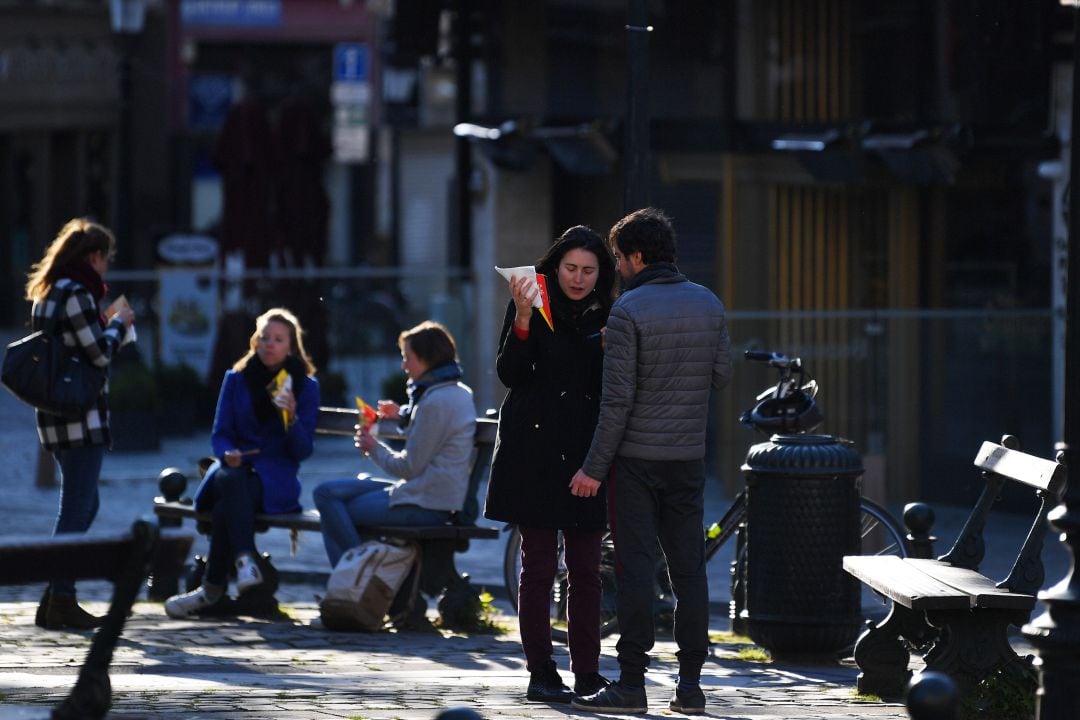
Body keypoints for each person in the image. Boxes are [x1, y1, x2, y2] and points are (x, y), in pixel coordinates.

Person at [568, 208, 733, 716]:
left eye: (617, 257)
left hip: (636, 462)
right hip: (687, 459)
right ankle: (690, 687)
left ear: (636, 257)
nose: (616, 266)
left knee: (635, 568)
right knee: (689, 573)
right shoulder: (708, 302)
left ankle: (632, 683)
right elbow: (722, 374)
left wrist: (593, 468)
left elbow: (616, 403)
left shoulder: (628, 311)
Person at [484, 226, 616, 703]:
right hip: (533, 452)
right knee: (537, 567)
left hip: (587, 452)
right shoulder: (530, 301)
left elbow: (607, 386)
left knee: (586, 570)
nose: (578, 278)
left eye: (588, 270)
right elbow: (511, 374)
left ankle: (587, 674)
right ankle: (541, 671)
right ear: (554, 267)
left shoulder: (610, 315)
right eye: (570, 268)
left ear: (601, 273)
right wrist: (521, 318)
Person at [164, 307, 320, 618]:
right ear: (255, 341)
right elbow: (220, 434)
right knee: (232, 479)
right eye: (264, 338)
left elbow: (301, 451)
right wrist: (227, 453)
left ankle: (211, 590)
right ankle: (244, 563)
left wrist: (290, 419)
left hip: (275, 477)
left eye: (277, 339)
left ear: (291, 346)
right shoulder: (236, 379)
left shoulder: (305, 386)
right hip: (235, 467)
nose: (269, 345)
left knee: (227, 500)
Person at [25, 217, 136, 630]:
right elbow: (98, 353)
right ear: (93, 256)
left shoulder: (50, 292)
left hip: (55, 413)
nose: (107, 266)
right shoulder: (77, 293)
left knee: (85, 504)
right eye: (106, 258)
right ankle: (61, 599)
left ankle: (55, 594)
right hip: (79, 415)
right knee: (76, 509)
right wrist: (119, 327)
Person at [314, 321, 475, 568]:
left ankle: (356, 576)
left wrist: (372, 447)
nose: (404, 366)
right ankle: (357, 574)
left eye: (407, 358)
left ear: (426, 360)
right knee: (328, 493)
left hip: (426, 502)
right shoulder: (455, 392)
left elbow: (408, 467)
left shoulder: (434, 402)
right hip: (430, 494)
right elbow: (434, 431)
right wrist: (402, 413)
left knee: (333, 505)